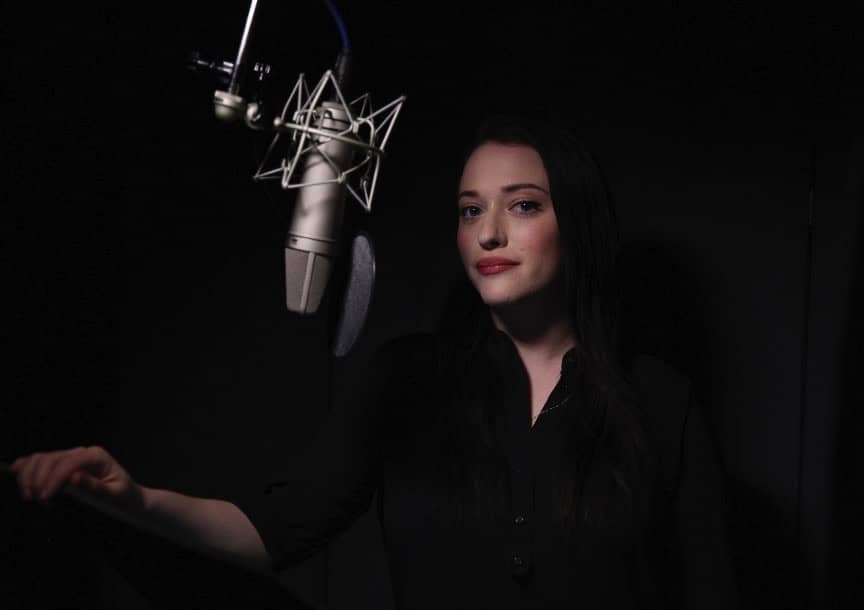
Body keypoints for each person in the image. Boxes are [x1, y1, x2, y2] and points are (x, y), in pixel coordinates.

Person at [9, 115, 738, 609]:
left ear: (574, 224)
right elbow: (276, 529)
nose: (487, 232)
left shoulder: (659, 401)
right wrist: (133, 499)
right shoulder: (407, 380)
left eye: (521, 206)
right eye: (467, 209)